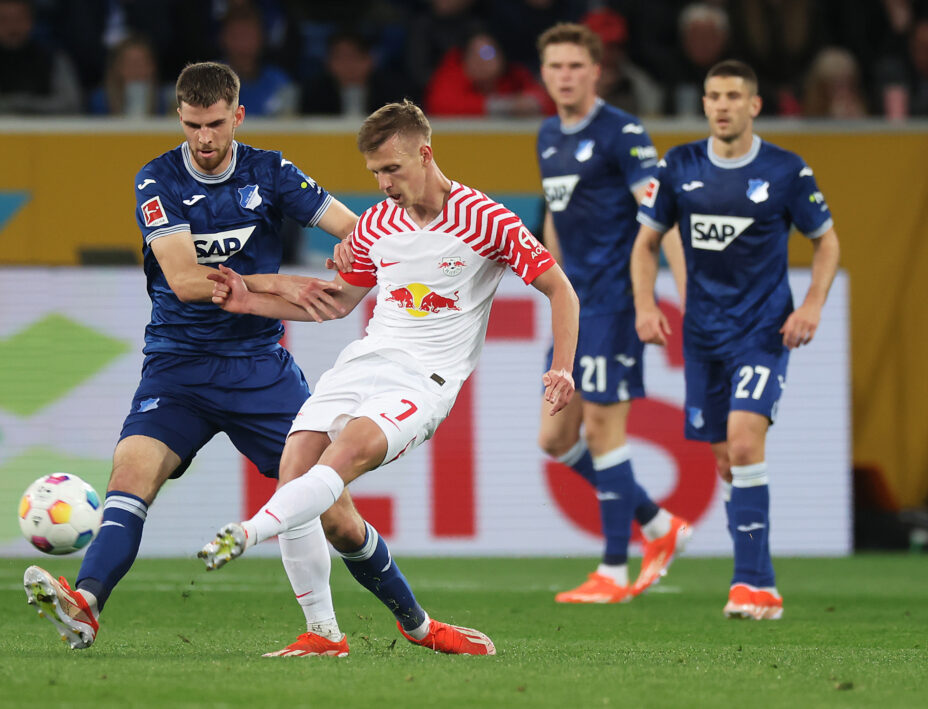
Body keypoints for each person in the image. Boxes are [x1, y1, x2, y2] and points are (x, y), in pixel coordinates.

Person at [21, 63, 445, 660]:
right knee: (130, 476)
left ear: (237, 116)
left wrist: (369, 248)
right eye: (193, 125)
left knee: (336, 517)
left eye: (216, 124)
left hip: (259, 370)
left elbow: (356, 228)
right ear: (179, 118)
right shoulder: (157, 180)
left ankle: (417, 621)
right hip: (178, 365)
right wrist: (284, 284)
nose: (204, 138)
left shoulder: (270, 172)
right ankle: (86, 604)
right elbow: (187, 280)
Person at [199, 99, 580, 654]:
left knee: (341, 458)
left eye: (392, 169)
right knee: (300, 475)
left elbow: (560, 289)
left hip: (424, 382)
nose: (383, 183)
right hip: (364, 362)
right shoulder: (376, 224)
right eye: (375, 172)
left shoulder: (487, 219)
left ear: (424, 154)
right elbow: (335, 303)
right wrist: (248, 301)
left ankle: (248, 532)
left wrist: (562, 366)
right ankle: (326, 634)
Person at [630, 59, 841, 620]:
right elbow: (646, 242)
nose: (721, 105)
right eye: (712, 96)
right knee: (727, 461)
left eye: (732, 96)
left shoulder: (785, 171)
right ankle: (758, 582)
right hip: (703, 335)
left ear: (754, 106)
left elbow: (826, 242)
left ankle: (752, 582)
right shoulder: (679, 166)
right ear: (704, 104)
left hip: (763, 331)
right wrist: (647, 306)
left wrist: (814, 305)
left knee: (746, 443)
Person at [535, 22, 691, 605]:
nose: (566, 76)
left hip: (618, 301)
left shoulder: (623, 133)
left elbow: (660, 215)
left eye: (576, 65)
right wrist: (549, 283)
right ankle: (657, 523)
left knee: (603, 430)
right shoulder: (548, 135)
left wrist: (661, 297)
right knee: (555, 437)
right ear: (544, 73)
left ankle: (613, 571)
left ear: (596, 71)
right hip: (576, 305)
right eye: (556, 66)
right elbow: (554, 217)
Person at [0, 0, 81, 114]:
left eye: (19, 19)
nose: (12, 27)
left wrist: (22, 104)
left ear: (31, 21)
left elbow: (71, 104)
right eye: (3, 20)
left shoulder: (54, 58)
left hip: (50, 133)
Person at [424, 29, 553, 117]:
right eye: (472, 54)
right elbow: (440, 105)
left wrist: (534, 103)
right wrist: (503, 106)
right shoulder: (451, 74)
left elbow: (547, 101)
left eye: (487, 53)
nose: (479, 61)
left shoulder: (516, 76)